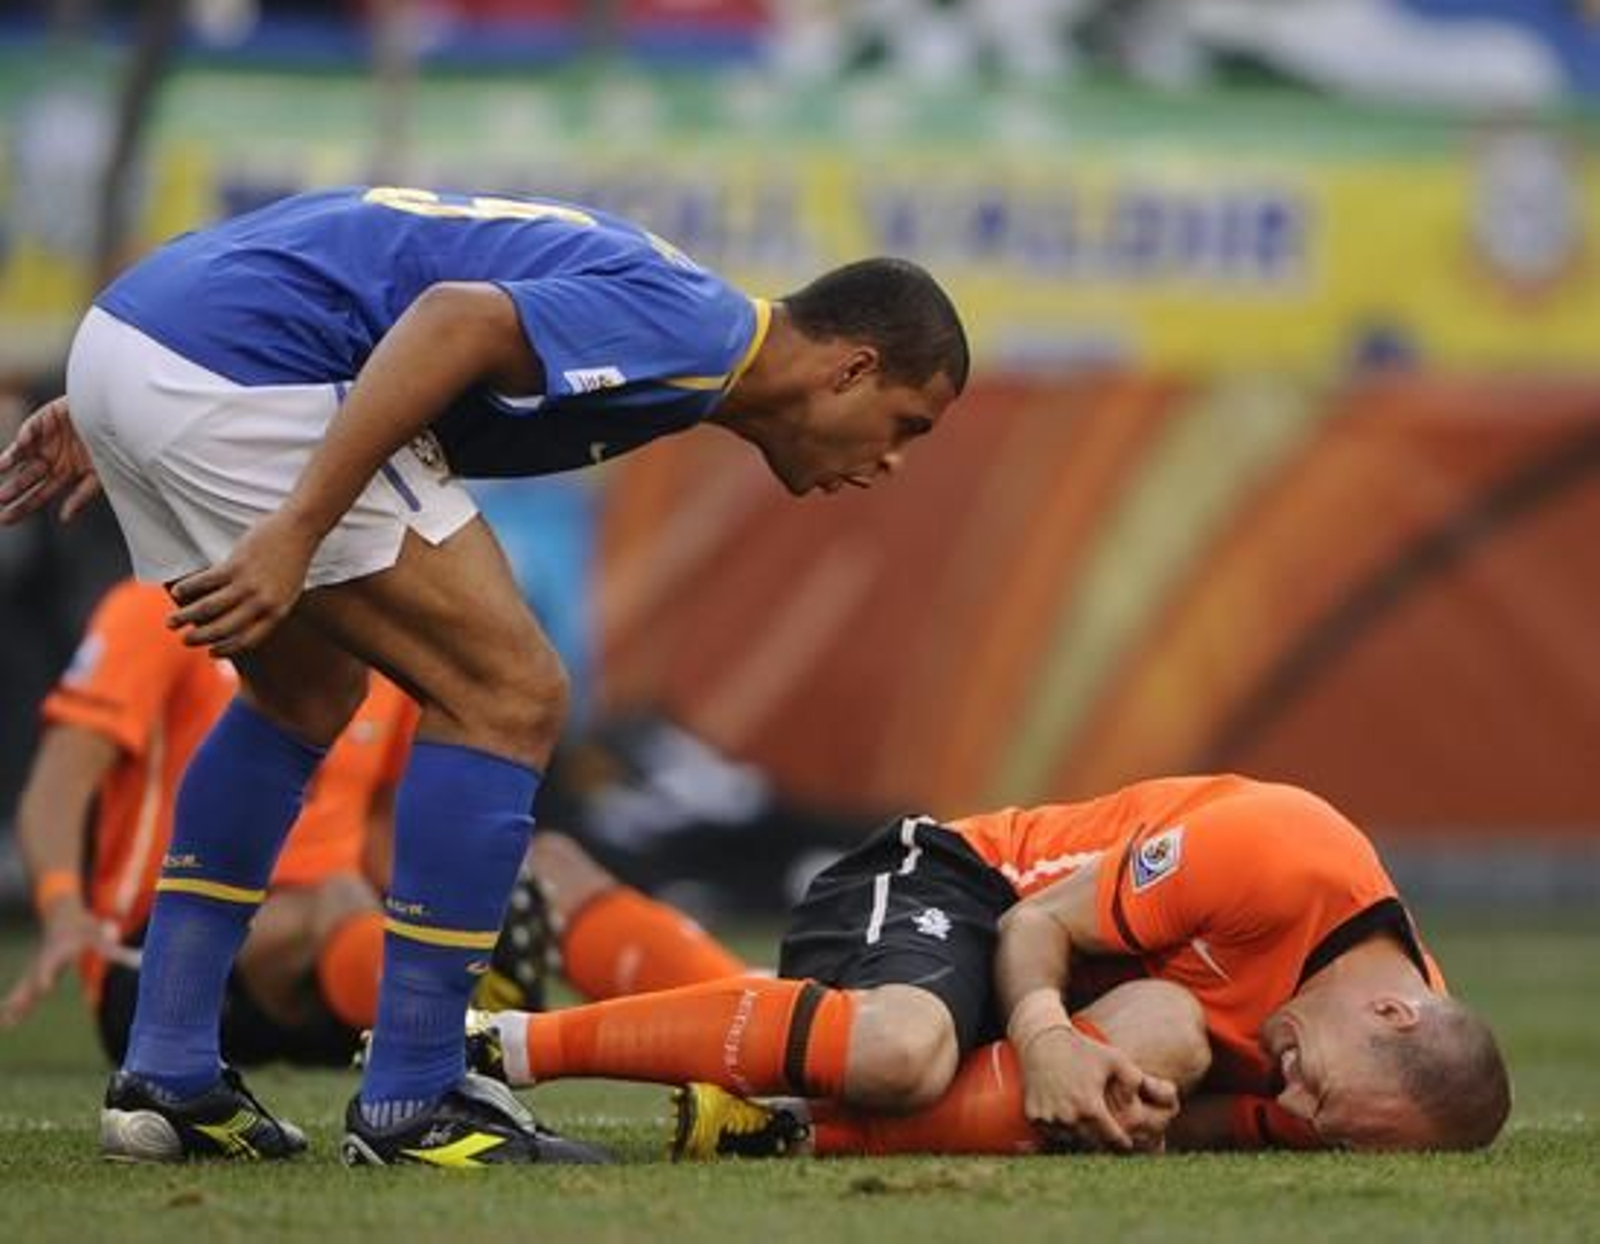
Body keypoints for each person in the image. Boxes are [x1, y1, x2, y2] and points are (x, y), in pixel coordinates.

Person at [0, 184, 968, 1167]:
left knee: (304, 697)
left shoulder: (685, 327)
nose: (892, 460)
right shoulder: (700, 330)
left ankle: (166, 1073)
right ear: (852, 367)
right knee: (512, 692)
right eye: (907, 424)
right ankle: (415, 1095)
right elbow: (452, 319)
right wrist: (294, 522)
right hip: (234, 365)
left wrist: (133, 385)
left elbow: (373, 266)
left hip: (158, 336)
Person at [473, 774, 1512, 1155]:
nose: (1293, 1102)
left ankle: (578, 905)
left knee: (1160, 1034)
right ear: (1393, 1013)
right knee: (898, 1048)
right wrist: (1048, 1039)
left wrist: (1138, 1119)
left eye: (1321, 1123)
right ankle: (495, 1047)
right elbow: (1036, 927)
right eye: (1314, 1090)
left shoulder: (1372, 1086)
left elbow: (1212, 1120)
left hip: (1045, 1006)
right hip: (966, 885)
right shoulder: (1284, 851)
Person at [0, 576, 420, 1065]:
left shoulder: (381, 629)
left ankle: (423, 1018)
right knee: (341, 901)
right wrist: (63, 907)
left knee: (454, 920)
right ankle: (432, 1029)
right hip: (158, 953)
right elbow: (59, 780)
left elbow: (381, 829)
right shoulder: (160, 604)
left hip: (332, 960)